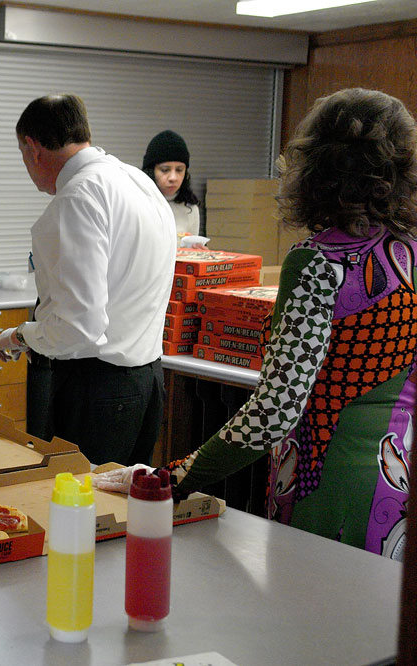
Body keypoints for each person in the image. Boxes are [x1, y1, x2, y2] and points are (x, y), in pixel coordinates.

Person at [95, 88, 417, 559]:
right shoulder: (409, 252)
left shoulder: (318, 263)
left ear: (316, 169)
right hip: (400, 481)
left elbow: (275, 412)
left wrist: (170, 478)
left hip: (329, 487)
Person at [0, 94, 176, 465]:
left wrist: (22, 335)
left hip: (97, 390)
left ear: (32, 148)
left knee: (78, 512)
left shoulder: (76, 198)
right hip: (148, 382)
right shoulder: (137, 182)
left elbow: (80, 327)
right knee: (121, 513)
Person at [142, 129, 202, 247]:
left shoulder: (190, 208)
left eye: (179, 170)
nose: (173, 177)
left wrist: (197, 253)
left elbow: (191, 249)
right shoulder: (137, 204)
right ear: (151, 171)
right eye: (165, 170)